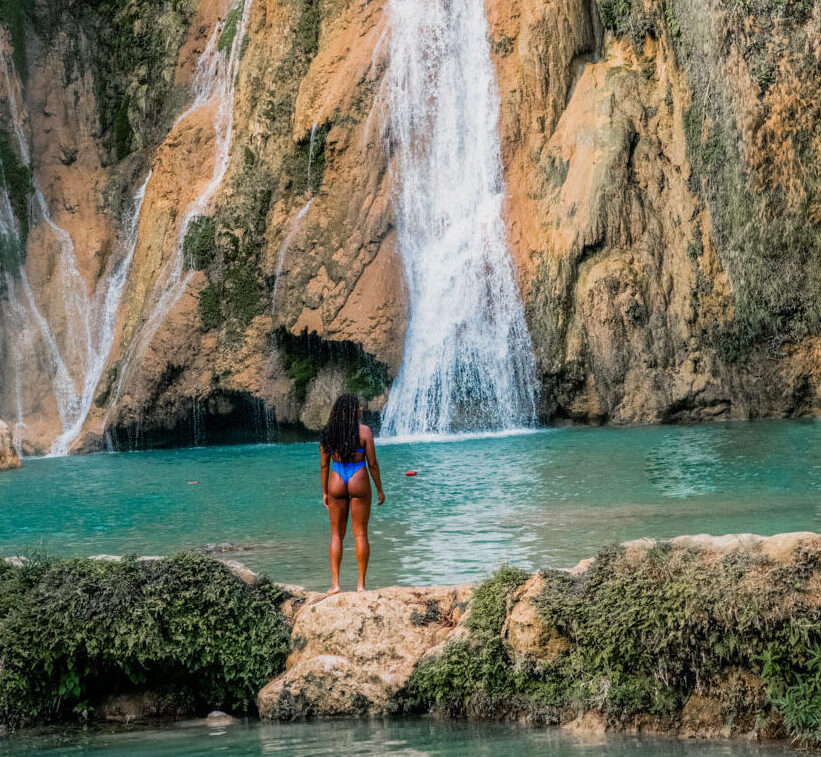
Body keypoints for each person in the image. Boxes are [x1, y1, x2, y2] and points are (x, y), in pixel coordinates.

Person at [319, 394, 385, 594]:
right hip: (359, 475)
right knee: (360, 534)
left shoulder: (328, 433)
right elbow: (372, 463)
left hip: (337, 476)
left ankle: (335, 584)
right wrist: (379, 489)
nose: (361, 409)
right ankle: (361, 585)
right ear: (353, 410)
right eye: (358, 407)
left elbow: (324, 465)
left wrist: (324, 492)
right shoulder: (364, 431)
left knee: (336, 534)